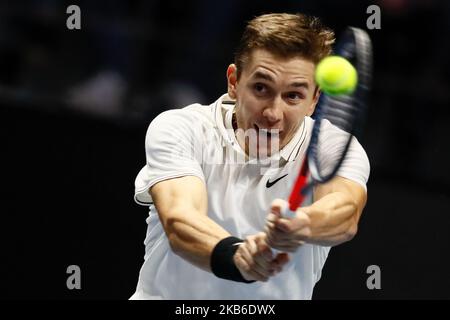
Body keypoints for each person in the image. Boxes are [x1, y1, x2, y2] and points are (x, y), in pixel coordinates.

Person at [130, 13, 370, 300]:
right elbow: (181, 220)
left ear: (315, 99)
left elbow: (344, 213)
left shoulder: (333, 147)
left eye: (293, 95)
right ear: (234, 81)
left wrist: (302, 224)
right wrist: (237, 256)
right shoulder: (181, 128)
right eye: (260, 88)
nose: (272, 113)